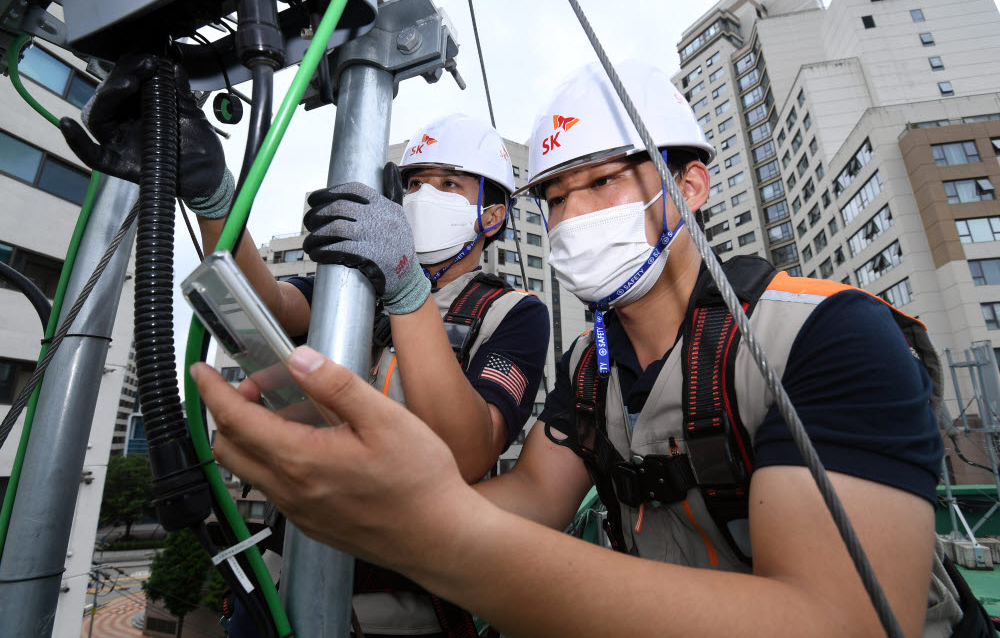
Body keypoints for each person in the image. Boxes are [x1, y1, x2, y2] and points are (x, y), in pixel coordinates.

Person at [191, 59, 980, 637]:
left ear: (692, 186)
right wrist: (360, 503)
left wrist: (430, 526)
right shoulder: (591, 362)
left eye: (601, 182)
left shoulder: (823, 333)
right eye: (558, 197)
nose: (572, 216)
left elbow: (841, 620)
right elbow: (534, 497)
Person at [60, 58, 550, 637]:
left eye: (449, 184)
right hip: (281, 580)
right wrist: (213, 195)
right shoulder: (353, 288)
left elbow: (469, 452)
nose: (423, 196)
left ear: (490, 216)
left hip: (401, 605)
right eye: (414, 182)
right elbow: (263, 302)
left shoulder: (511, 311)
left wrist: (405, 284)